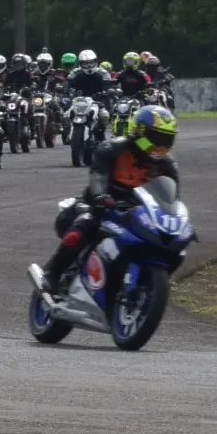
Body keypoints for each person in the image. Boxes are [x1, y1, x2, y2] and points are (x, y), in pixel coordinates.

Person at [35, 105, 179, 295]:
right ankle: (52, 273)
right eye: (157, 138)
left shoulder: (166, 164)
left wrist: (176, 217)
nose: (161, 146)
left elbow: (173, 197)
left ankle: (143, 284)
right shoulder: (112, 148)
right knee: (85, 223)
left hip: (137, 213)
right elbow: (98, 175)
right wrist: (101, 196)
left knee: (171, 244)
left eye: (166, 140)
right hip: (99, 206)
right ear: (138, 131)